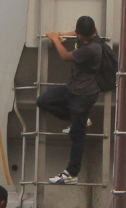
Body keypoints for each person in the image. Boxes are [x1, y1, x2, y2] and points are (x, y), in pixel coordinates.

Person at [39, 16, 105, 186]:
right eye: (81, 37)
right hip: (72, 88)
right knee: (43, 101)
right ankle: (79, 120)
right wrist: (63, 35)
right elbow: (76, 34)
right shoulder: (83, 36)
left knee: (77, 135)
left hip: (84, 95)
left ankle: (72, 173)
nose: (83, 41)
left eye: (86, 39)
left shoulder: (92, 48)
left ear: (95, 33)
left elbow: (65, 56)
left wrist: (55, 39)